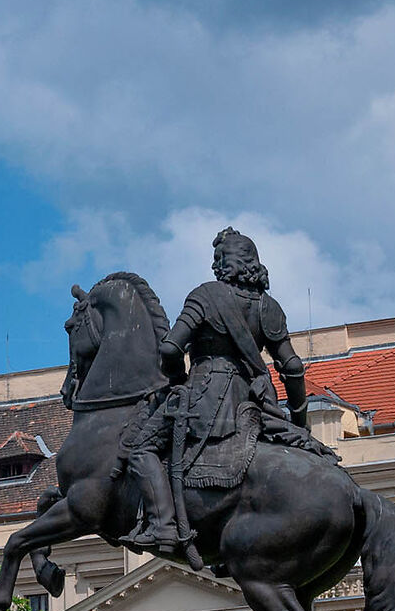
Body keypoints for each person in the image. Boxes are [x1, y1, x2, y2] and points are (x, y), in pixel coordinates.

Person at [129, 226, 334, 555]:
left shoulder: (204, 296)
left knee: (140, 449)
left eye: (220, 258)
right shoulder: (269, 307)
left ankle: (162, 526)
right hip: (255, 402)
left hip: (204, 396)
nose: (216, 265)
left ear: (234, 262)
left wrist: (178, 381)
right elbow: (292, 368)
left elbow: (169, 349)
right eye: (215, 259)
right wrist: (298, 419)